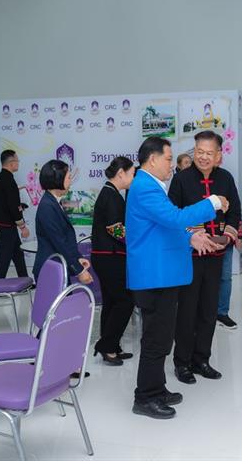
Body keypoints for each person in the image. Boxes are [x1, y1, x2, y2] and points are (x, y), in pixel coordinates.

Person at [126, 136, 228, 420]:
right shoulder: (145, 187)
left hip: (163, 274)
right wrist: (213, 202)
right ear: (153, 159)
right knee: (156, 339)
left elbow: (163, 227)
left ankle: (157, 389)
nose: (172, 164)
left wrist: (190, 238)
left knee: (161, 337)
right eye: (169, 159)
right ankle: (145, 397)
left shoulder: (150, 185)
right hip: (154, 276)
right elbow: (175, 218)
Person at [169, 130, 242, 384]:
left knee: (209, 310)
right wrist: (194, 235)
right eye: (199, 151)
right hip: (190, 255)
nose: (203, 157)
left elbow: (235, 212)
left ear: (219, 155)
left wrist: (227, 237)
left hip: (216, 254)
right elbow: (173, 215)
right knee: (187, 310)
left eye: (209, 153)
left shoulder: (225, 178)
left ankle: (202, 359)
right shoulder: (181, 179)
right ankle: (182, 363)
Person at [91, 156, 136, 366]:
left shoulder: (111, 192)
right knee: (125, 301)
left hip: (106, 256)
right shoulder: (111, 195)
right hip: (109, 257)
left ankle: (112, 347)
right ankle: (107, 345)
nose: (133, 178)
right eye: (132, 174)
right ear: (121, 173)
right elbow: (115, 229)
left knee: (111, 302)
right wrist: (137, 242)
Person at [32, 159, 93, 285]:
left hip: (58, 266)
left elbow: (65, 239)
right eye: (68, 177)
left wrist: (78, 258)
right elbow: (59, 242)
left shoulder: (53, 202)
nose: (70, 181)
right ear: (58, 179)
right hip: (50, 270)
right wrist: (79, 271)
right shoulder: (47, 206)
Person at [0, 150, 30, 279]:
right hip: (7, 225)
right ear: (11, 163)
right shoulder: (9, 181)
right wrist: (23, 227)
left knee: (17, 254)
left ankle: (25, 280)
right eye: (17, 161)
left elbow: (3, 201)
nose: (18, 163)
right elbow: (13, 206)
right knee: (4, 257)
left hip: (1, 223)